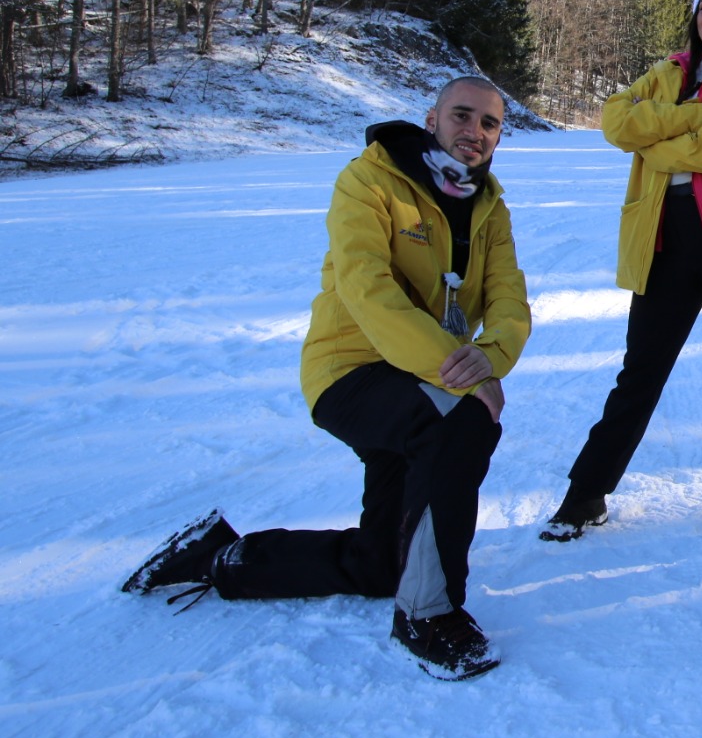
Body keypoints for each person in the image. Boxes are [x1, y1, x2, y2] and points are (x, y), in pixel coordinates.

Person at [122, 76, 530, 680]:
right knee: (460, 424)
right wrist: (457, 372)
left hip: (421, 376)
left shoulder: (488, 204)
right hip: (351, 371)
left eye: (489, 123)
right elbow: (367, 290)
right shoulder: (368, 181)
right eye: (461, 117)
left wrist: (491, 354)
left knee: (381, 562)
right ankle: (427, 614)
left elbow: (509, 298)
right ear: (431, 119)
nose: (473, 133)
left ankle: (222, 557)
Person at [539, 0, 702, 557]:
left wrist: (655, 135)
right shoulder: (667, 71)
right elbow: (613, 121)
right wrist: (689, 115)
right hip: (663, 241)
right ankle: (586, 495)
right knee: (638, 376)